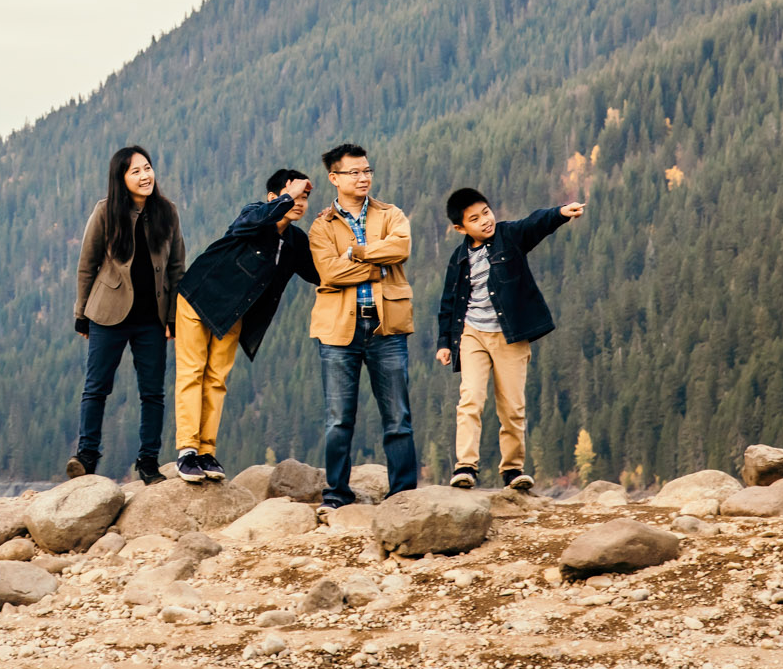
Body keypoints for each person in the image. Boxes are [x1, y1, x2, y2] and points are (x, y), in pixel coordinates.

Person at [171, 169, 321, 484]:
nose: (298, 202)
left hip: (233, 312)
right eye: (293, 194)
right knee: (192, 372)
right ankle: (186, 451)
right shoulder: (255, 214)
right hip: (199, 296)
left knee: (216, 378)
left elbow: (321, 273)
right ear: (274, 197)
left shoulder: (294, 242)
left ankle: (205, 451)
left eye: (304, 197)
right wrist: (286, 198)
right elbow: (246, 225)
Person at [434, 188, 587, 491]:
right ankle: (465, 466)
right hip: (472, 334)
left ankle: (512, 470)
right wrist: (444, 342)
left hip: (510, 335)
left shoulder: (510, 236)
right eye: (475, 219)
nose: (485, 221)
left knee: (512, 406)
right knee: (471, 399)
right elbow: (449, 301)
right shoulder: (459, 259)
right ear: (460, 228)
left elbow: (534, 223)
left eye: (487, 212)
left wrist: (559, 213)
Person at [307, 142, 418, 507]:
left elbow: (400, 249)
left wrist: (355, 253)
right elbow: (329, 272)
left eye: (367, 170)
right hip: (339, 332)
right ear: (334, 178)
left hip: (386, 328)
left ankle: (403, 495)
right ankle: (337, 494)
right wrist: (375, 263)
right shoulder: (321, 227)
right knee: (338, 420)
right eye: (354, 172)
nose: (363, 177)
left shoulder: (391, 214)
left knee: (398, 417)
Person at [71, 145, 185, 484]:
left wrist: (173, 316)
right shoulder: (105, 212)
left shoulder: (167, 211)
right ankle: (86, 456)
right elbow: (86, 264)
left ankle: (148, 461)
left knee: (152, 392)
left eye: (147, 168)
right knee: (96, 388)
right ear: (121, 178)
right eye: (135, 171)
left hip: (152, 318)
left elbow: (177, 267)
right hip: (107, 315)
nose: (144, 175)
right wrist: (81, 314)